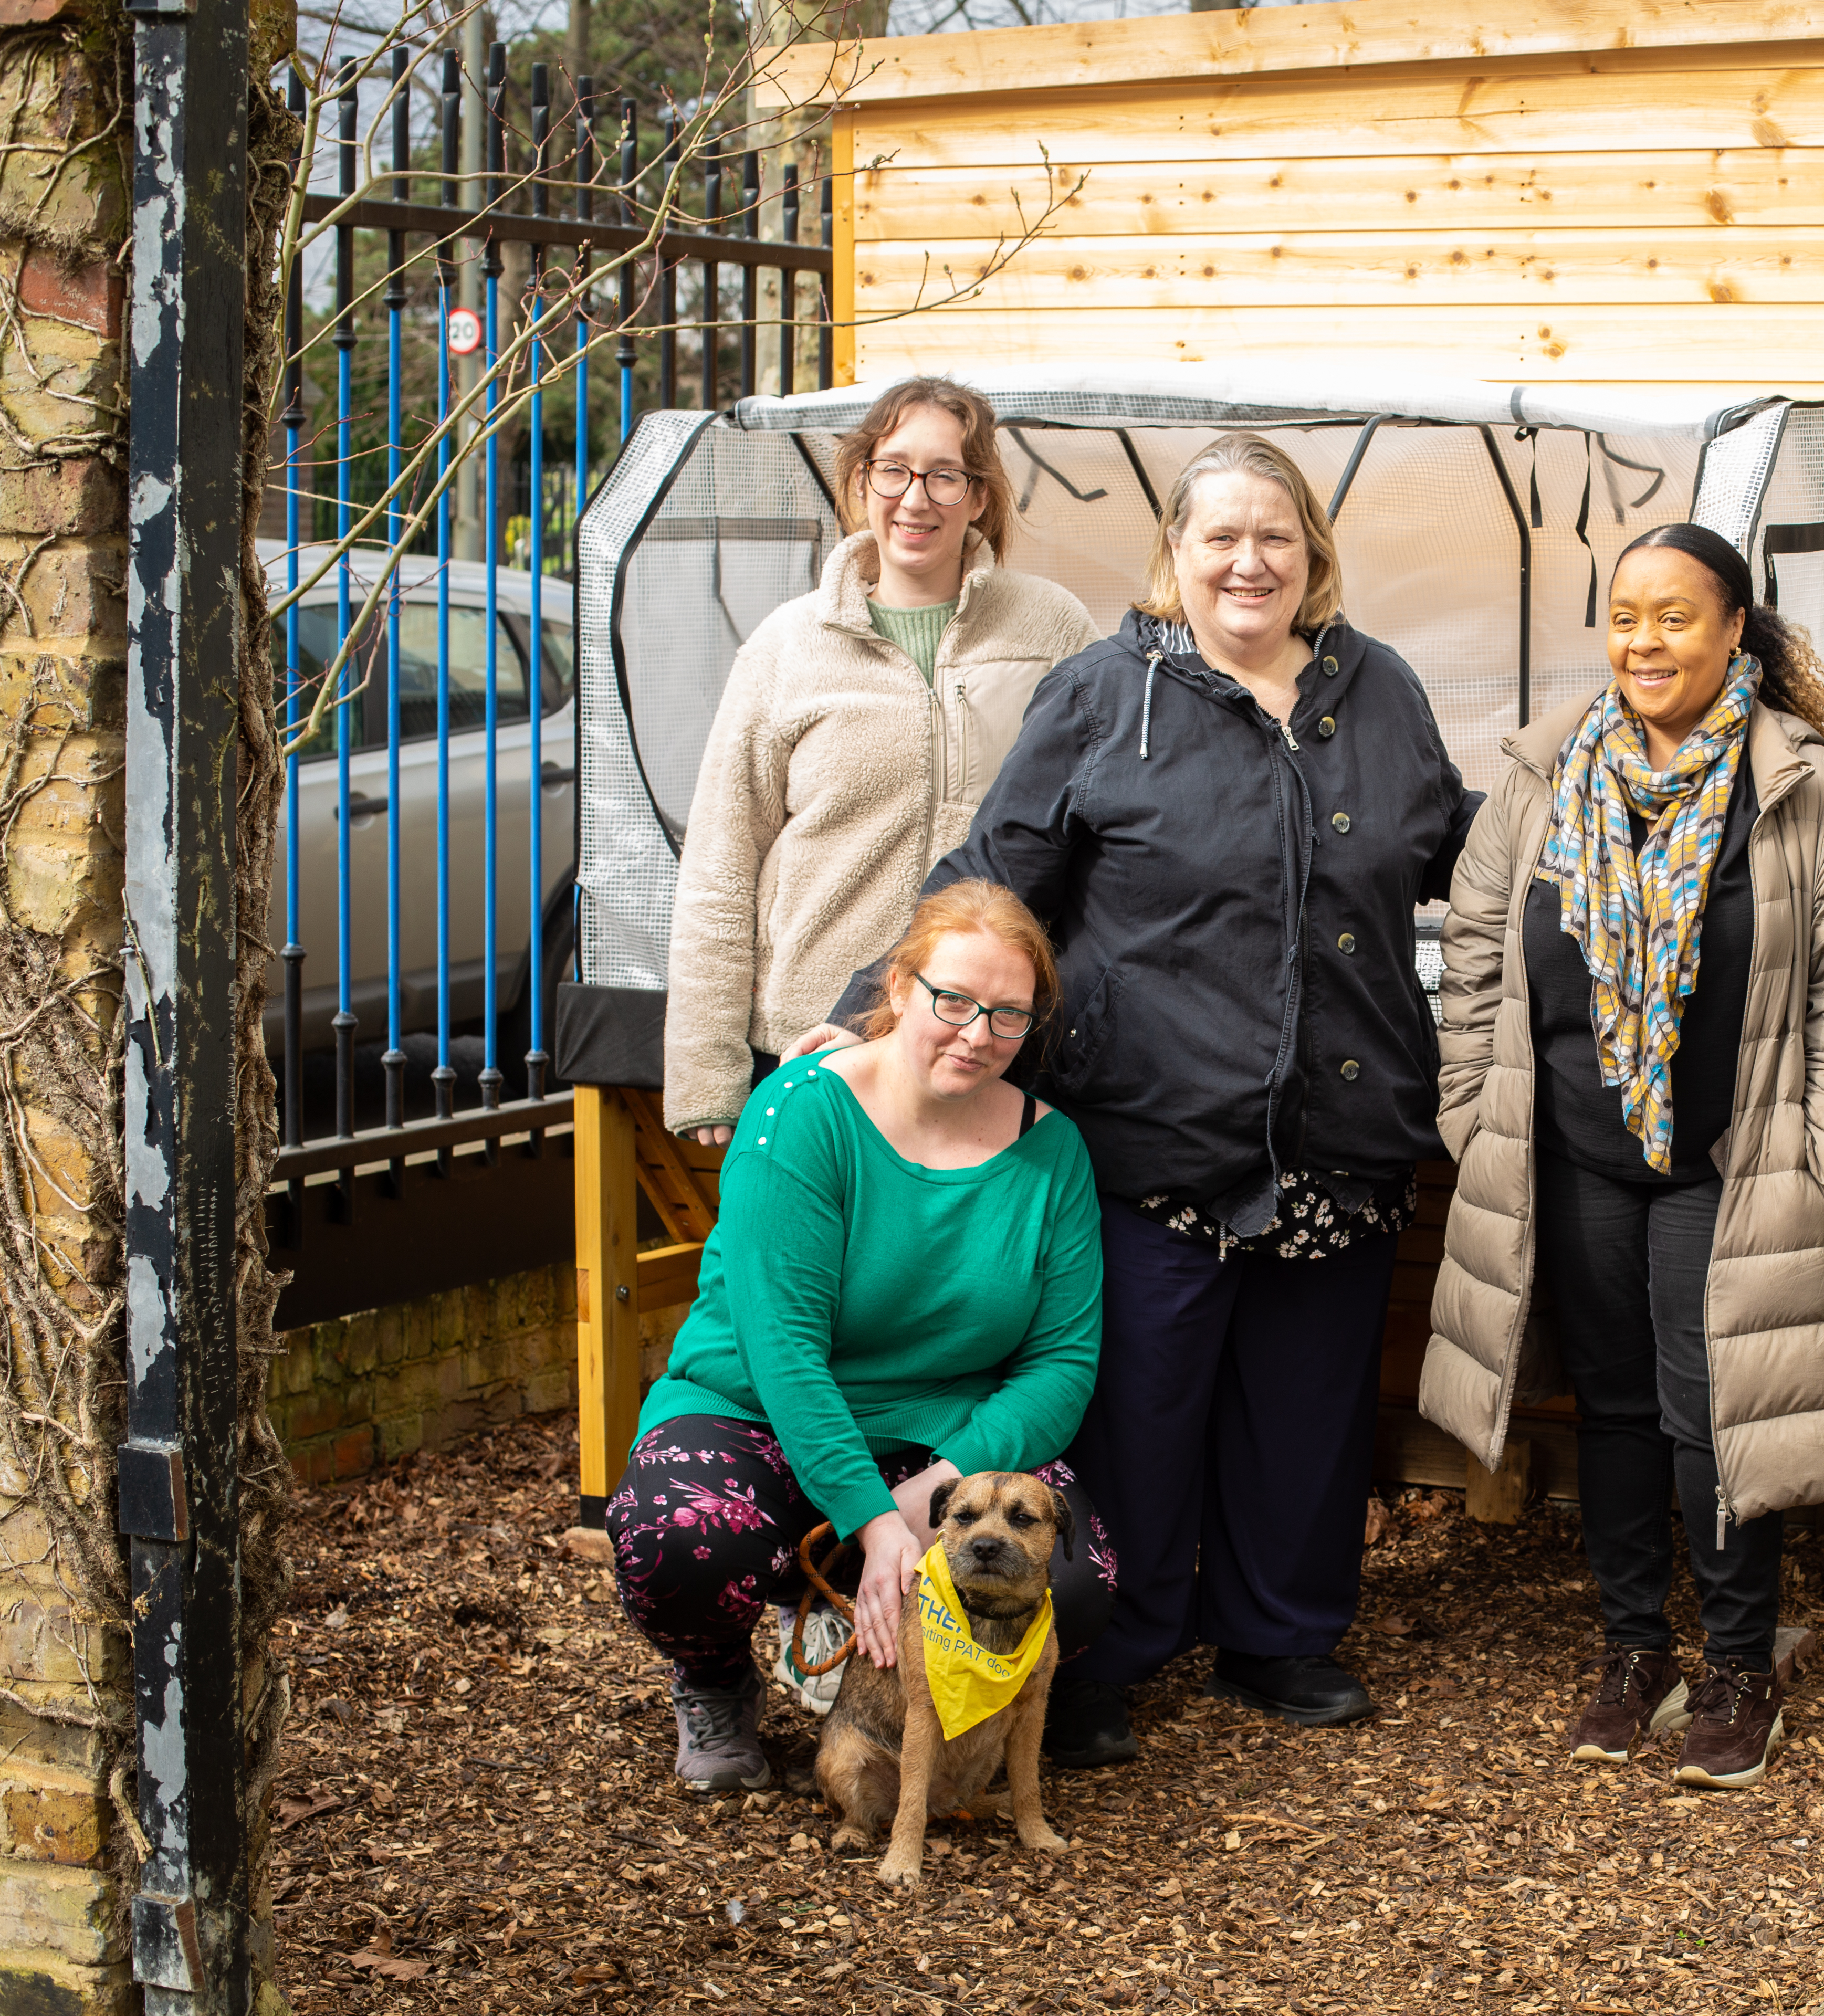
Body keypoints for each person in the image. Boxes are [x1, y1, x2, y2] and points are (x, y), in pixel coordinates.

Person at [787, 432, 1477, 1769]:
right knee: (1143, 1410)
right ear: (1175, 555)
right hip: (1155, 1133)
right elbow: (997, 868)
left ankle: (1281, 1636)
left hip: (1339, 1131)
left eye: (1275, 536)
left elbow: (1451, 837)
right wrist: (887, 997)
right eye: (1219, 536)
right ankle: (1117, 1648)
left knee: (1307, 1401)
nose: (1248, 561)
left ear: (1313, 557)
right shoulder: (1108, 694)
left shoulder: (1374, 689)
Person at [1421, 524, 1824, 1789]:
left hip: (1735, 1161)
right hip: (1575, 1151)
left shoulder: (1806, 787)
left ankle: (1740, 1666)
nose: (1645, 641)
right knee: (1618, 1409)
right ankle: (1635, 1651)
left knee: (1714, 1413)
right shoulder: (1540, 779)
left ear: (1735, 628)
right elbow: (1478, 954)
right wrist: (1474, 1109)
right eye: (1625, 616)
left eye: (1676, 616)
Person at [610, 881, 1116, 1794]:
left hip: (933, 1434)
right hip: (756, 1412)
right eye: (952, 1000)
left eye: (1008, 1016)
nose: (975, 1033)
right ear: (899, 986)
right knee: (678, 1542)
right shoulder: (799, 1110)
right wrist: (877, 1525)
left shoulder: (1053, 1152)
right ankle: (717, 1679)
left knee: (1080, 1581)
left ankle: (906, 1693)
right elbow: (785, 1351)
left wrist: (931, 1496)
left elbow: (1061, 1366)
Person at [661, 375, 1098, 1147]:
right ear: (861, 482)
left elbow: (1093, 831)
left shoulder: (1053, 628)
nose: (915, 498)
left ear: (981, 496)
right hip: (816, 1041)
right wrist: (707, 1075)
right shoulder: (786, 647)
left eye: (944, 475)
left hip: (991, 1047)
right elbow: (721, 866)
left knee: (973, 1269)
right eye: (891, 470)